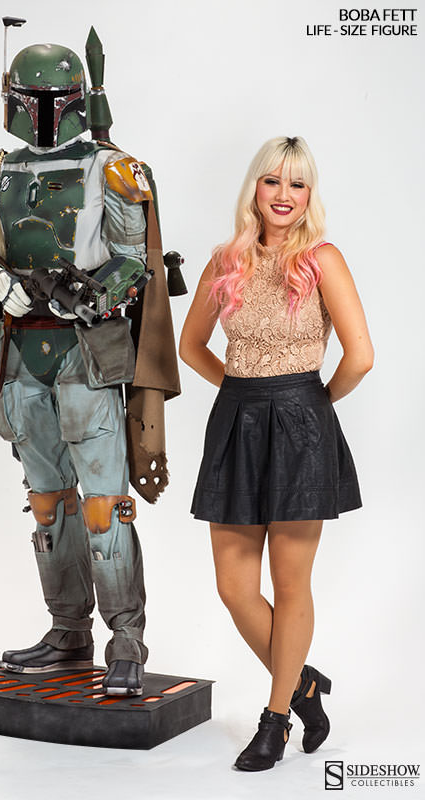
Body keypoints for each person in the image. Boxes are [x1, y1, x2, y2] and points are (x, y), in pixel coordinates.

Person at [0, 39, 180, 696]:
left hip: (86, 353)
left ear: (75, 101)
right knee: (48, 503)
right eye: (32, 100)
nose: (42, 111)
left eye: (53, 100)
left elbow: (135, 260)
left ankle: (125, 640)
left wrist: (92, 295)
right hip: (20, 355)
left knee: (103, 506)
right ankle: (68, 630)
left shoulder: (113, 168)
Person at [179, 136, 373, 770]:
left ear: (310, 194)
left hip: (301, 426)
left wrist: (312, 405)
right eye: (272, 181)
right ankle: (305, 686)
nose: (284, 195)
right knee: (234, 587)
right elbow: (190, 346)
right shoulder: (225, 260)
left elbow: (360, 355)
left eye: (297, 184)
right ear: (254, 189)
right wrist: (241, 391)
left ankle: (276, 719)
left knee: (291, 586)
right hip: (236, 422)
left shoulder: (322, 260)